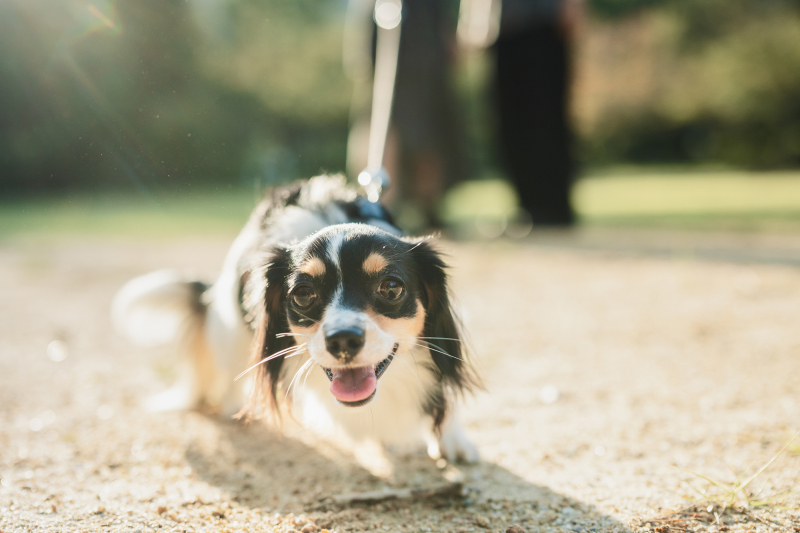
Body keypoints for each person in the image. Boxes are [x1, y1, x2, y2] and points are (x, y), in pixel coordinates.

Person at [489, 0, 584, 226]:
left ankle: (556, 207)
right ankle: (528, 206)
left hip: (544, 24)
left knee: (545, 121)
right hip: (502, 29)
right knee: (511, 123)